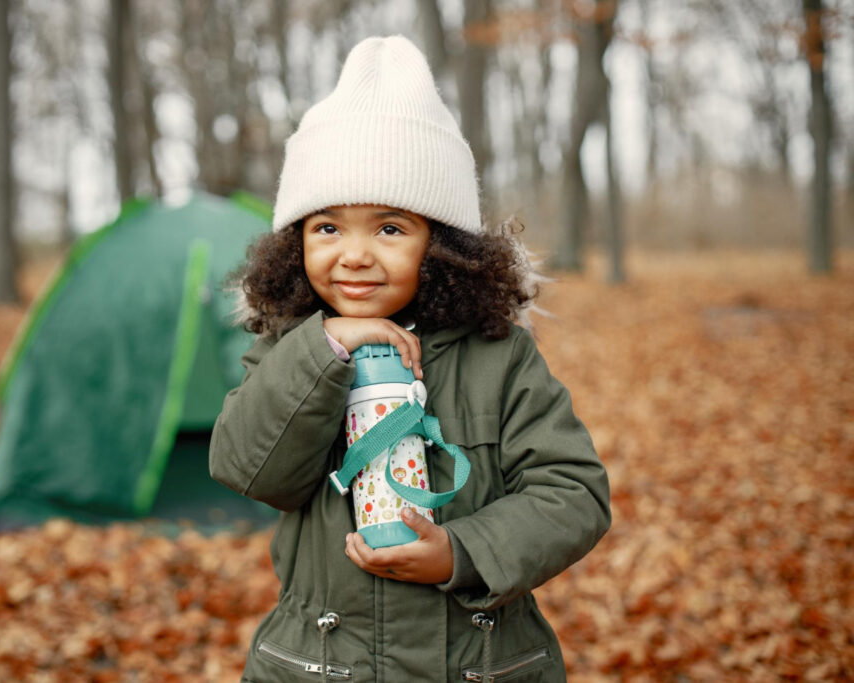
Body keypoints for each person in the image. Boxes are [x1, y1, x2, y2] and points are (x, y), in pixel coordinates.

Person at [209, 35, 610, 682]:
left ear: (442, 245)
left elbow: (575, 493)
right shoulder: (290, 347)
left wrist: (462, 550)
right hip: (321, 661)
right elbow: (250, 468)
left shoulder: (498, 356)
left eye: (390, 228)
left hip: (481, 661)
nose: (355, 254)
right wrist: (327, 348)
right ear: (296, 242)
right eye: (327, 227)